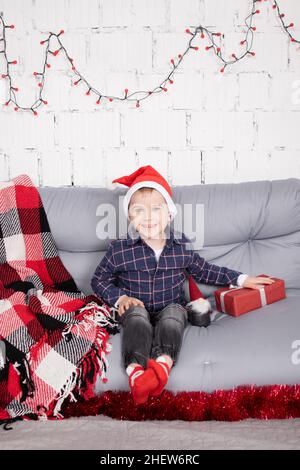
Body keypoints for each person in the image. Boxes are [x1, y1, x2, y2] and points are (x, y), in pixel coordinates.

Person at [91, 165, 275, 404]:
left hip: (171, 305)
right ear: (130, 217)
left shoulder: (180, 246)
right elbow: (99, 280)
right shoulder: (119, 249)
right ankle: (136, 372)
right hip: (136, 306)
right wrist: (120, 298)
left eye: (156, 209)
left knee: (174, 317)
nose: (148, 217)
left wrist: (242, 279)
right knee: (137, 318)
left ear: (169, 214)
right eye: (139, 210)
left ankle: (162, 364)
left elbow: (205, 270)